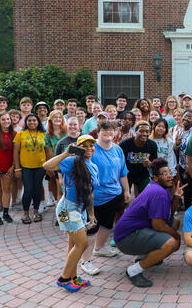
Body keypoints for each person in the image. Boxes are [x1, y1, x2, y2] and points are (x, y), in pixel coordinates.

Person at [114, 158, 184, 287]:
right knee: (171, 243)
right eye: (164, 174)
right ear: (156, 178)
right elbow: (157, 225)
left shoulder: (160, 188)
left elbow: (168, 215)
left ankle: (145, 256)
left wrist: (176, 197)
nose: (169, 176)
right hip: (126, 238)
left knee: (175, 222)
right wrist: (176, 236)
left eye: (170, 172)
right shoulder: (158, 193)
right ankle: (134, 271)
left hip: (135, 231)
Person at [43, 134, 98, 292]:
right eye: (85, 146)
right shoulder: (72, 161)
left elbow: (90, 193)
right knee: (82, 243)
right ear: (78, 147)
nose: (89, 149)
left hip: (79, 209)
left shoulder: (92, 166)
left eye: (91, 145)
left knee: (73, 244)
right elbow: (47, 166)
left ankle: (73, 277)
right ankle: (64, 278)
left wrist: (91, 214)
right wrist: (66, 153)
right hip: (67, 208)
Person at [79, 121, 131, 275]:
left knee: (107, 225)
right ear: (98, 132)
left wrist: (126, 190)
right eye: (105, 130)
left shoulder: (117, 149)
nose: (108, 133)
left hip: (114, 194)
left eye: (111, 130)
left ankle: (99, 249)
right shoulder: (91, 148)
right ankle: (85, 262)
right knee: (91, 229)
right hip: (94, 197)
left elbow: (123, 172)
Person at [13, 113, 51, 224]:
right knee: (28, 190)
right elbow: (15, 153)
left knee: (37, 189)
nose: (32, 122)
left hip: (41, 166)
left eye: (34, 120)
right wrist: (17, 168)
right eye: (29, 120)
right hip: (26, 167)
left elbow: (48, 151)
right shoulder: (20, 134)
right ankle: (25, 214)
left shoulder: (44, 134)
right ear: (26, 122)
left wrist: (49, 166)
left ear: (38, 122)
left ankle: (35, 212)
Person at [120, 120, 158, 197]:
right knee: (123, 199)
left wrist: (149, 164)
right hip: (127, 174)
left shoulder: (152, 145)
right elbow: (119, 164)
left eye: (147, 131)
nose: (144, 134)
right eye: (141, 131)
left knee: (145, 197)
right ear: (135, 131)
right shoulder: (124, 144)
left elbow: (154, 164)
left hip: (143, 174)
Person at [46, 110, 67, 205]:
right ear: (50, 119)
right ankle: (61, 217)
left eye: (59, 117)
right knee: (60, 190)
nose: (58, 119)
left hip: (68, 162)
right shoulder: (48, 135)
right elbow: (49, 152)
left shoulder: (66, 131)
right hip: (57, 164)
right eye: (55, 117)